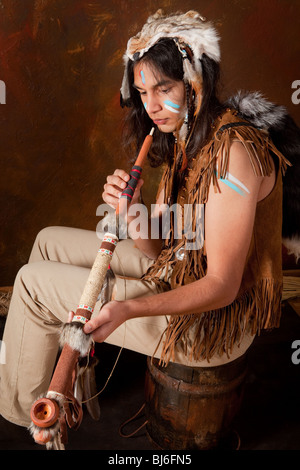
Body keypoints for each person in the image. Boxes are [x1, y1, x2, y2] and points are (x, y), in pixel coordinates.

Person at [0, 10, 288, 431]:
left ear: (194, 82)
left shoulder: (235, 155)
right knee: (47, 242)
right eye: (141, 92)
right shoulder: (184, 136)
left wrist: (127, 309)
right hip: (177, 271)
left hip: (212, 321)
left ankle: (33, 419)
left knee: (30, 281)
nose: (151, 106)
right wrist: (131, 211)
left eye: (163, 88)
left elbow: (222, 286)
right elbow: (161, 248)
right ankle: (64, 380)